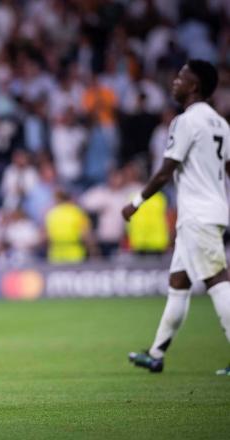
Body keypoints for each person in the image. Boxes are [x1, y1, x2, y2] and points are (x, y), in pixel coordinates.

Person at [121, 60, 230, 376]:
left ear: (194, 86)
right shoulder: (221, 124)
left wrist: (136, 202)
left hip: (197, 214)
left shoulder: (186, 122)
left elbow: (166, 171)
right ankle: (156, 354)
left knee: (217, 280)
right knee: (178, 283)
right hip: (210, 210)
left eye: (182, 77)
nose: (175, 81)